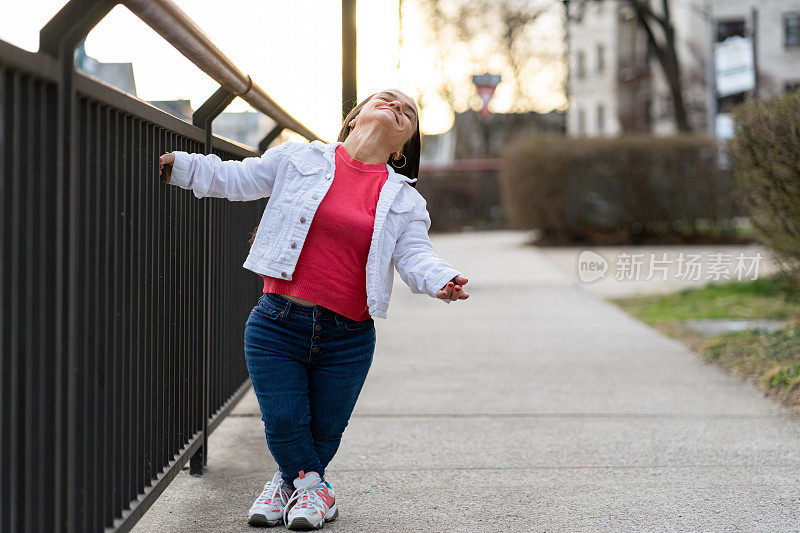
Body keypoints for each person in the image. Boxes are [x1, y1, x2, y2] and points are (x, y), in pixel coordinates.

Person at [159, 89, 469, 530]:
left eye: (408, 113)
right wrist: (182, 168)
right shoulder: (298, 160)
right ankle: (313, 492)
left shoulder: (403, 198)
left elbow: (416, 255)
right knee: (284, 420)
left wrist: (440, 279)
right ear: (355, 116)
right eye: (387, 100)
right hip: (277, 323)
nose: (397, 108)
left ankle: (287, 488)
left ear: (402, 148)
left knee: (324, 431)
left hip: (348, 337)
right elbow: (238, 178)